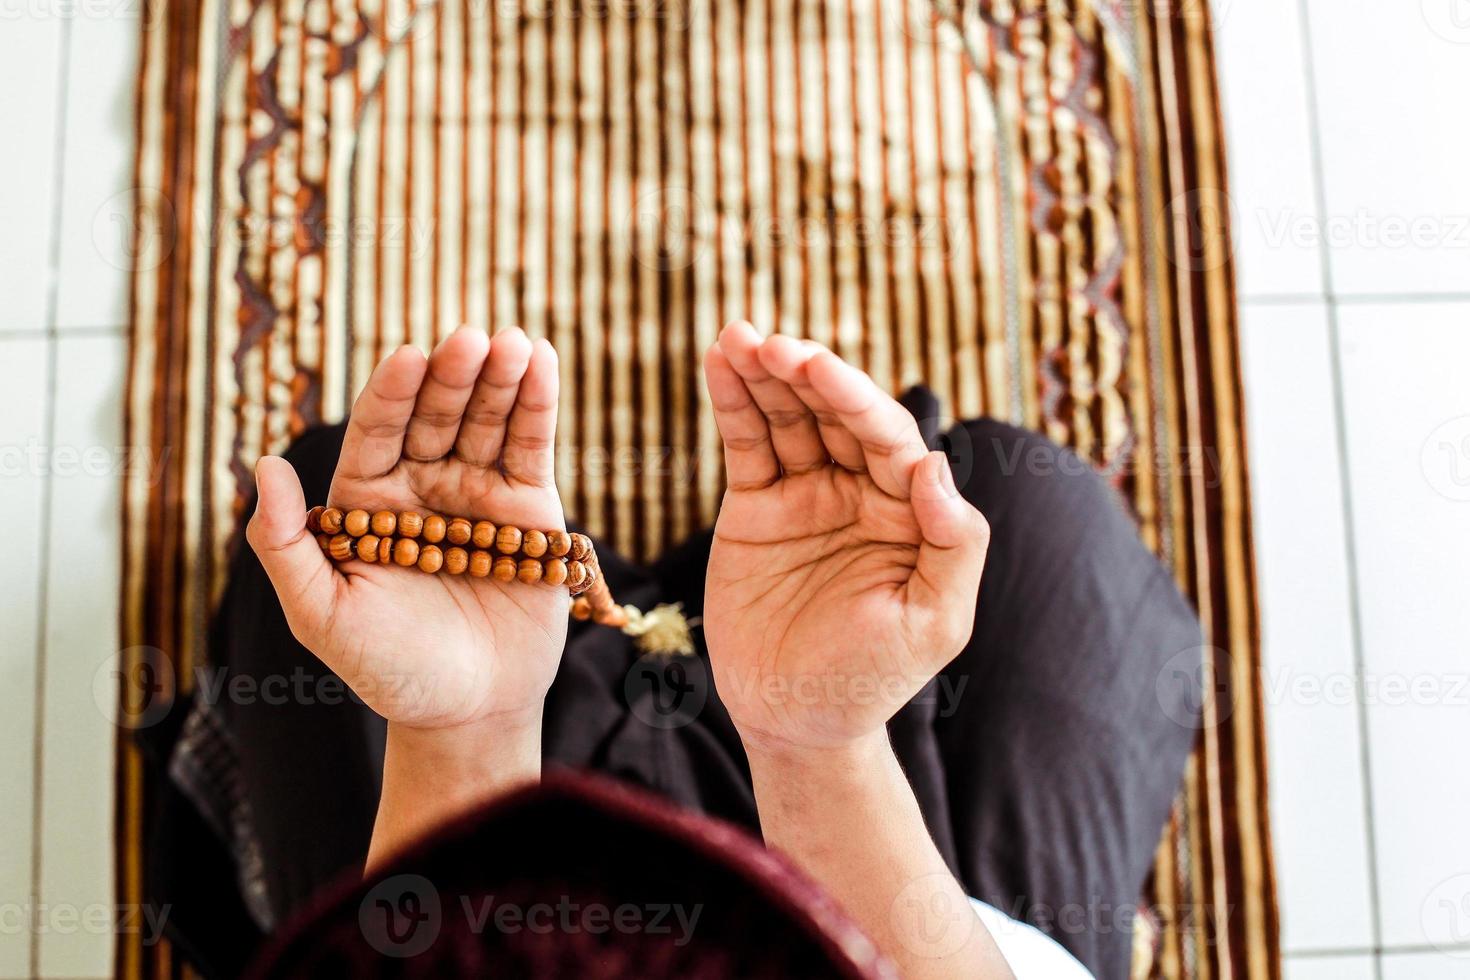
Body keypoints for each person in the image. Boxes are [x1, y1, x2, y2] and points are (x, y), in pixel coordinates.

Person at [230, 321, 1201, 979]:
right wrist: (818, 746)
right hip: (866, 898)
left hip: (521, 889)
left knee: (332, 505)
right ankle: (696, 631)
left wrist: (462, 731)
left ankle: (608, 630)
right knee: (1030, 511)